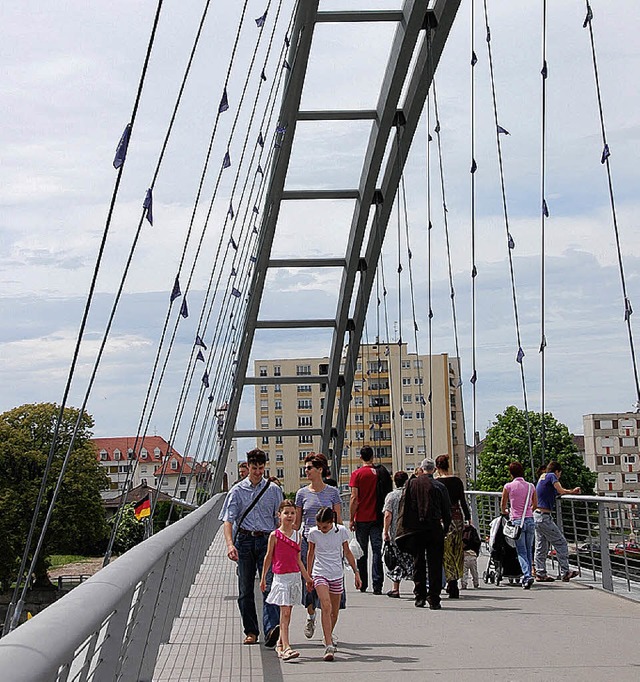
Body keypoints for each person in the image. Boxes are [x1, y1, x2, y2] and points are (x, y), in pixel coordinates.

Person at [220, 448, 284, 646]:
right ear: (248, 467)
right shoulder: (237, 491)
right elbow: (228, 520)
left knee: (270, 585)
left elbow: (279, 520)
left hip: (267, 540)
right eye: (254, 468)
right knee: (245, 589)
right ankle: (251, 631)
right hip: (245, 541)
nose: (258, 472)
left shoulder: (273, 491)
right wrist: (230, 544)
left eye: (261, 468)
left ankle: (271, 628)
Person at [295, 453, 343, 640]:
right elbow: (298, 523)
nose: (306, 470)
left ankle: (327, 633)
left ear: (320, 470)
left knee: (331, 588)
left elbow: (338, 519)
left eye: (309, 468)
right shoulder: (302, 494)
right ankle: (311, 614)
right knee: (309, 582)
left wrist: (344, 541)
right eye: (305, 468)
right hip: (309, 542)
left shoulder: (332, 492)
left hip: (329, 544)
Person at [306, 507, 362, 662]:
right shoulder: (313, 533)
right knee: (326, 605)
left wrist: (356, 572)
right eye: (319, 526)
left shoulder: (341, 531)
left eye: (324, 527)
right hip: (319, 573)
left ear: (331, 523)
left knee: (334, 612)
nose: (321, 529)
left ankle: (327, 635)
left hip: (337, 573)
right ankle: (329, 645)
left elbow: (347, 552)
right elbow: (310, 553)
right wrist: (308, 576)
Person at [260, 500, 312, 661]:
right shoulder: (274, 535)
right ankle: (287, 646)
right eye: (286, 513)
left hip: (294, 577)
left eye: (292, 513)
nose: (289, 516)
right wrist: (263, 578)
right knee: (285, 612)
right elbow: (268, 557)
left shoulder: (298, 536)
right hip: (280, 578)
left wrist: (307, 578)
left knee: (287, 614)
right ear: (279, 515)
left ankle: (281, 645)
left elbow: (298, 559)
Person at [399, 459, 451, 610]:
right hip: (434, 528)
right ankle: (434, 598)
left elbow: (405, 506)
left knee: (418, 561)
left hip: (416, 529)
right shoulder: (440, 486)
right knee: (435, 563)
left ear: (421, 469)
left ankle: (419, 596)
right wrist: (445, 528)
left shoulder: (411, 484)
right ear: (434, 470)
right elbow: (446, 510)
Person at [534, 460, 581, 583]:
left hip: (537, 516)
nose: (559, 476)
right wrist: (572, 491)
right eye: (560, 474)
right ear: (557, 471)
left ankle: (540, 573)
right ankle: (565, 572)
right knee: (561, 542)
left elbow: (551, 493)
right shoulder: (551, 476)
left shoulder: (542, 477)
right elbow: (560, 490)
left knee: (541, 546)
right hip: (544, 517)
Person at [434, 454, 471, 599]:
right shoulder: (457, 481)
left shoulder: (436, 483)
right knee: (457, 550)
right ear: (448, 466)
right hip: (458, 518)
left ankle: (451, 582)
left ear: (437, 468)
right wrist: (468, 517)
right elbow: (463, 501)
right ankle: (454, 580)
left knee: (446, 551)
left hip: (443, 520)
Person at [349, 446, 383, 595]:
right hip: (377, 517)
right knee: (377, 551)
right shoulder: (379, 473)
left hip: (362, 518)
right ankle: (378, 584)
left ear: (360, 457)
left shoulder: (357, 474)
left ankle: (362, 582)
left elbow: (354, 498)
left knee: (361, 552)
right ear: (372, 457)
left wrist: (351, 518)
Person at [501, 461, 537, 589]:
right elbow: (535, 504)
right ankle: (530, 572)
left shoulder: (508, 486)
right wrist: (528, 511)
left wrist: (506, 511)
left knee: (521, 550)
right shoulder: (531, 486)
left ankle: (527, 576)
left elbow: (503, 505)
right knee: (529, 549)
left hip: (517, 522)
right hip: (530, 520)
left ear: (511, 473)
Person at [382, 470, 414, 597]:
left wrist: (386, 532)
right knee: (411, 559)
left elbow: (387, 515)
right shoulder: (411, 495)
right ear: (407, 481)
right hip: (410, 533)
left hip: (396, 534)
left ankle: (396, 588)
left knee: (396, 560)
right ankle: (417, 586)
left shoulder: (391, 496)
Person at [461, 524, 481, 589]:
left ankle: (464, 584)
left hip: (464, 555)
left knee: (464, 572)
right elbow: (477, 542)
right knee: (474, 572)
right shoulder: (473, 531)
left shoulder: (462, 531)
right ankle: (476, 583)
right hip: (472, 555)